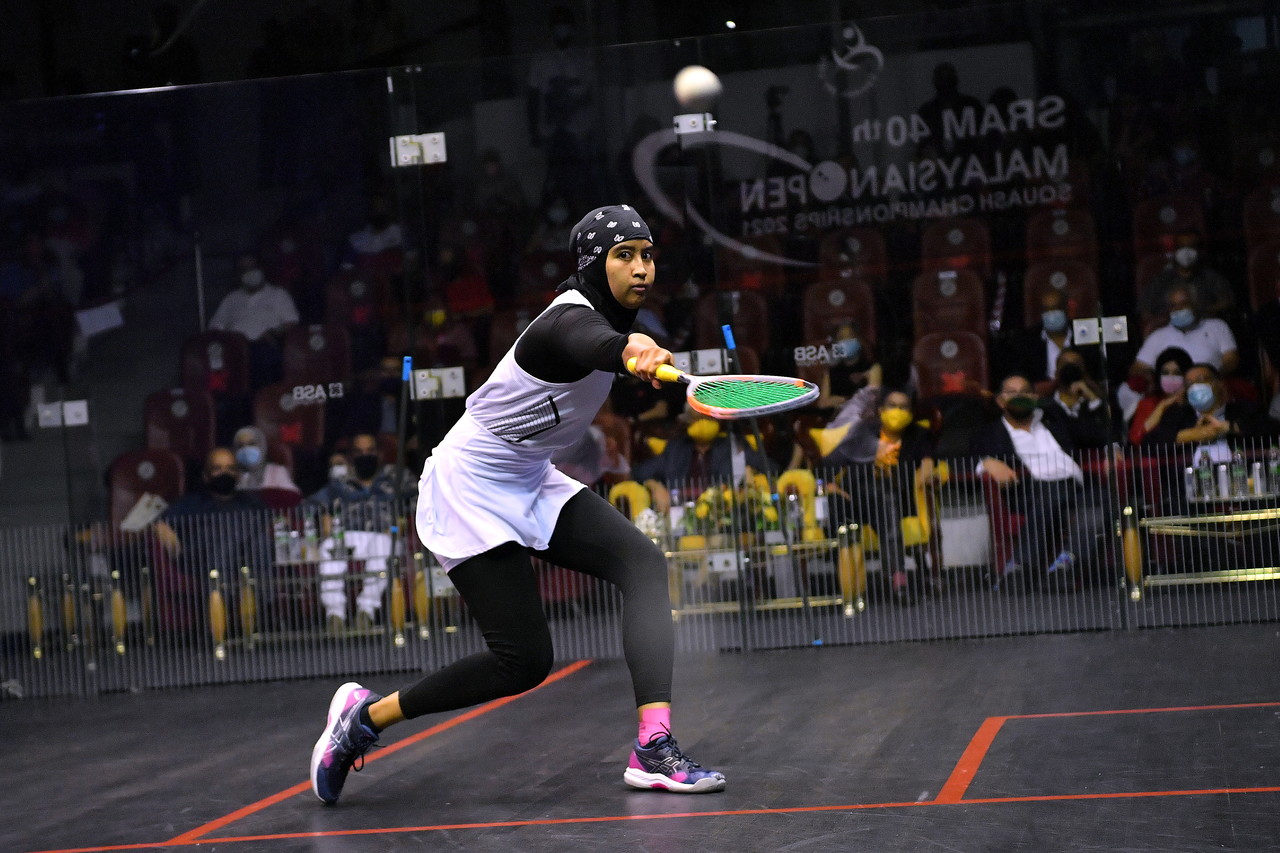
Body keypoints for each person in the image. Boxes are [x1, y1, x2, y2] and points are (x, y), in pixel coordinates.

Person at [310, 204, 726, 805]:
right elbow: (592, 342)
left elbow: (609, 347)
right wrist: (632, 347)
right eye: (625, 255)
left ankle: (653, 747)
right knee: (524, 662)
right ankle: (364, 720)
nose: (642, 268)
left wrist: (638, 356)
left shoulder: (605, 320)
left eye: (648, 255)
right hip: (468, 486)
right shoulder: (563, 323)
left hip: (530, 477)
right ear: (592, 263)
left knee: (643, 564)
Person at [971, 374, 1110, 590]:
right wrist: (986, 462)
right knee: (1055, 493)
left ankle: (1062, 566)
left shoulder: (1053, 419)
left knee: (1104, 502)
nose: (1019, 396)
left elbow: (1096, 435)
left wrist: (1112, 448)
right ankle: (1021, 566)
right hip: (1028, 490)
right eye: (1011, 392)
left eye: (1024, 391)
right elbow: (967, 458)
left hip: (1077, 488)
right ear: (1000, 401)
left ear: (1035, 397)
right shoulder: (991, 432)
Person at [822, 379, 937, 603]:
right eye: (892, 405)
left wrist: (921, 477)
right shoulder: (864, 431)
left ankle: (896, 575)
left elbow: (928, 462)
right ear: (881, 410)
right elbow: (830, 463)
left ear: (911, 412)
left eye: (903, 407)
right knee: (873, 493)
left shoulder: (918, 435)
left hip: (895, 497)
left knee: (884, 494)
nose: (897, 411)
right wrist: (829, 485)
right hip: (853, 497)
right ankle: (895, 577)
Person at [153, 447, 273, 633]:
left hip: (245, 558)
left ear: (238, 475)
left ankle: (256, 619)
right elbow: (160, 523)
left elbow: (273, 523)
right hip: (202, 557)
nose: (224, 473)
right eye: (217, 468)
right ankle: (219, 622)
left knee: (260, 540)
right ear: (206, 476)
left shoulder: (251, 502)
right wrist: (168, 538)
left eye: (230, 468)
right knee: (220, 536)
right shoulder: (191, 502)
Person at [306, 433, 414, 634]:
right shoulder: (340, 482)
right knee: (330, 548)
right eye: (359, 451)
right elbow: (308, 506)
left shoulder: (396, 476)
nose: (365, 455)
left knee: (383, 546)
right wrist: (324, 517)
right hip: (348, 535)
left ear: (379, 454)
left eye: (370, 450)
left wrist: (404, 519)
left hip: (384, 534)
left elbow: (421, 500)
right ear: (351, 456)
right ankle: (335, 615)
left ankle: (366, 612)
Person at [1121, 283, 1239, 421]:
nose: (1178, 309)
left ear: (1195, 304)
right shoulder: (1158, 336)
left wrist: (1208, 377)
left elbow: (1231, 360)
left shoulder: (1217, 327)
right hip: (1172, 394)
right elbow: (1137, 368)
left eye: (1184, 303)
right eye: (1173, 305)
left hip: (1208, 389)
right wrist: (1158, 379)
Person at [632, 405, 771, 514]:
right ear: (688, 422)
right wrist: (654, 485)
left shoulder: (733, 445)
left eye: (708, 418)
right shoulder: (677, 448)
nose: (703, 424)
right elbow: (639, 472)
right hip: (681, 512)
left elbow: (771, 468)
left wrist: (749, 469)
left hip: (721, 513)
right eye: (697, 418)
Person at [209, 251, 300, 389]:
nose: (250, 273)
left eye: (253, 268)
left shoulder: (278, 294)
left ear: (261, 269)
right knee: (214, 355)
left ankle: (259, 401)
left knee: (260, 357)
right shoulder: (231, 299)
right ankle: (219, 399)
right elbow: (215, 326)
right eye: (244, 269)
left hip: (264, 345)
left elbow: (292, 322)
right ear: (238, 274)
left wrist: (273, 332)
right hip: (234, 347)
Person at [1129, 346, 1193, 445]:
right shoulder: (1147, 404)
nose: (1170, 377)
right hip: (1157, 458)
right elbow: (1136, 439)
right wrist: (1161, 406)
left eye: (1177, 373)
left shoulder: (1196, 401)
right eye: (1165, 373)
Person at [232, 425, 301, 508]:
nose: (246, 449)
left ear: (262, 446)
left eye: (251, 444)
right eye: (240, 446)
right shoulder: (232, 474)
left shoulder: (277, 472)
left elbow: (293, 500)